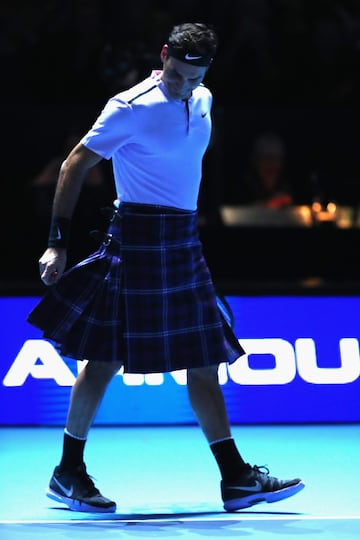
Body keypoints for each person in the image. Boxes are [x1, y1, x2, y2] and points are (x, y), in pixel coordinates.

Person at [27, 22, 304, 514]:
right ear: (163, 58)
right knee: (103, 359)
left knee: (204, 361)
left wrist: (195, 91)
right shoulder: (129, 107)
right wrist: (57, 243)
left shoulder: (203, 100)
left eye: (194, 79)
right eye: (176, 76)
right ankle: (68, 471)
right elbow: (74, 165)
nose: (184, 86)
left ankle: (236, 479)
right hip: (135, 241)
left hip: (182, 242)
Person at [240, 131, 293, 209]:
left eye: (278, 158)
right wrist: (269, 204)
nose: (274, 164)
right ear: (256, 160)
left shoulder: (285, 186)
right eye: (268, 158)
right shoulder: (242, 188)